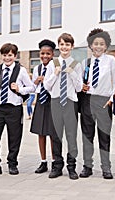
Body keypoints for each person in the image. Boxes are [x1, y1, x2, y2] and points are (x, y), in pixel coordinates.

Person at [0, 43, 35, 177]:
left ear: (15, 56)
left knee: (14, 137)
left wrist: (19, 89)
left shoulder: (20, 70)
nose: (7, 58)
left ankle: (12, 164)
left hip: (14, 109)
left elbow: (32, 87)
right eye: (4, 55)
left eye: (10, 55)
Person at [79, 28, 115, 179]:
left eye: (102, 44)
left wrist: (111, 99)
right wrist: (80, 86)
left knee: (104, 135)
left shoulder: (111, 60)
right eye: (95, 43)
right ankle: (87, 166)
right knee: (87, 136)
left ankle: (106, 167)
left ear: (106, 46)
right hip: (88, 100)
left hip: (104, 101)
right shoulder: (85, 62)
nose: (98, 46)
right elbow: (78, 81)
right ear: (90, 45)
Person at [43, 33, 82, 180]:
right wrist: (55, 74)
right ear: (58, 46)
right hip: (56, 102)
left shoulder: (76, 64)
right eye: (62, 44)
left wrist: (72, 74)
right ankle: (57, 166)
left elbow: (79, 88)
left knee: (71, 136)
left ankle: (71, 167)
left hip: (71, 102)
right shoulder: (53, 63)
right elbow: (47, 85)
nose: (64, 47)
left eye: (67, 44)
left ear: (72, 47)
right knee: (56, 136)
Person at [30, 39, 58, 174]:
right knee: (40, 132)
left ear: (52, 54)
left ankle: (54, 161)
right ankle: (43, 162)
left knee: (52, 133)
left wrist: (46, 80)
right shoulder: (37, 68)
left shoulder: (56, 66)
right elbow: (33, 87)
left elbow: (56, 83)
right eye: (42, 53)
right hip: (41, 100)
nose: (45, 56)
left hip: (52, 100)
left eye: (48, 53)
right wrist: (36, 81)